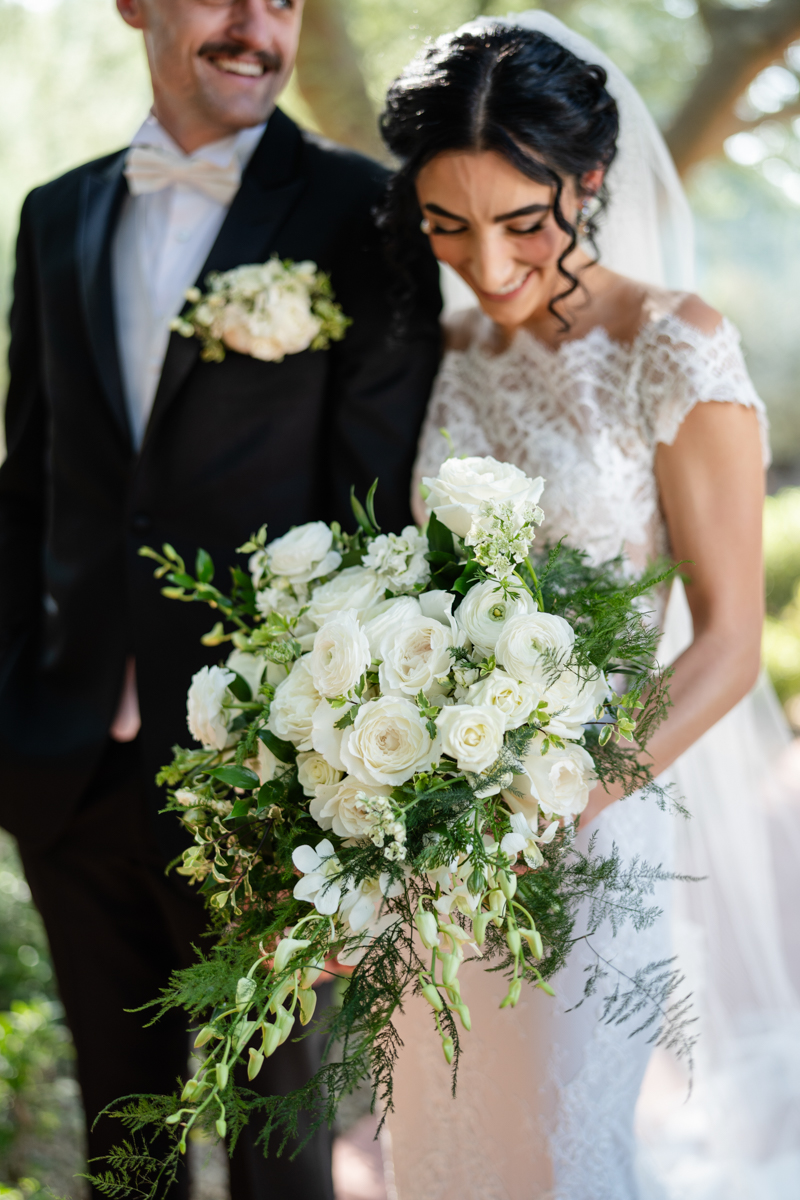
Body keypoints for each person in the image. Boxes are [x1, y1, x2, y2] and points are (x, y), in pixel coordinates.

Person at [0, 0, 440, 1195]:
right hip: (71, 764)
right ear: (134, 5)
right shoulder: (56, 215)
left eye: (285, 0)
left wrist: (342, 788)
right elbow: (29, 482)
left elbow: (377, 515)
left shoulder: (363, 212)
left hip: (259, 786)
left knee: (275, 1151)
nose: (256, 25)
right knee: (121, 1144)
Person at [377, 13, 800, 1199]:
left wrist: (544, 805)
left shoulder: (673, 347)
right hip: (439, 824)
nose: (490, 265)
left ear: (591, 180)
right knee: (444, 1138)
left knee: (561, 1155)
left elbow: (722, 646)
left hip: (591, 828)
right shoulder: (457, 344)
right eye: (446, 227)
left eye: (523, 222)